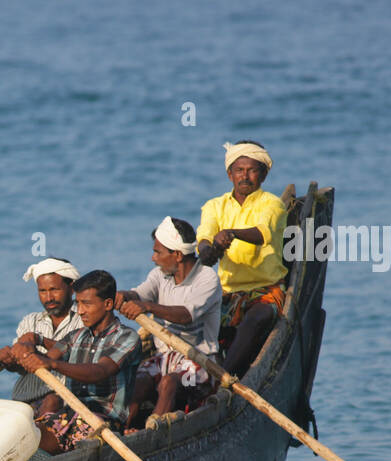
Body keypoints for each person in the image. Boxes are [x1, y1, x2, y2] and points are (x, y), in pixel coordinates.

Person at [13, 270, 141, 454]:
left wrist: (51, 365)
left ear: (108, 304)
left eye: (86, 304)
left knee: (33, 442)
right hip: (69, 414)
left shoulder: (127, 337)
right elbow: (50, 356)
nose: (80, 311)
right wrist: (26, 348)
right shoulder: (76, 336)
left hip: (102, 423)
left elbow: (99, 372)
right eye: (78, 303)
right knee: (21, 430)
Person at [117, 217, 222, 432]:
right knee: (138, 381)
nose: (153, 258)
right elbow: (138, 293)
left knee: (168, 383)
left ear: (177, 255)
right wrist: (122, 296)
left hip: (200, 361)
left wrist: (147, 307)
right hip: (164, 357)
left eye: (158, 252)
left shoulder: (207, 278)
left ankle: (153, 430)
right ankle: (121, 429)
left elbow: (185, 316)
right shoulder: (159, 275)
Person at [195, 140, 288, 376]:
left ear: (263, 175)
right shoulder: (214, 206)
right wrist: (210, 249)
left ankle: (222, 378)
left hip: (265, 291)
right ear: (229, 174)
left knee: (256, 319)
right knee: (195, 325)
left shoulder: (272, 204)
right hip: (226, 294)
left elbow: (261, 233)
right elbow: (204, 242)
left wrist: (232, 234)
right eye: (239, 170)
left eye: (252, 170)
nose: (244, 176)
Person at [0, 257, 85, 408]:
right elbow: (20, 367)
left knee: (51, 401)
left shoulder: (84, 318)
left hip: (67, 403)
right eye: (42, 291)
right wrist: (9, 361)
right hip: (25, 402)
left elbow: (83, 356)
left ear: (72, 287)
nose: (49, 298)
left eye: (54, 290)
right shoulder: (30, 321)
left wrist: (39, 342)